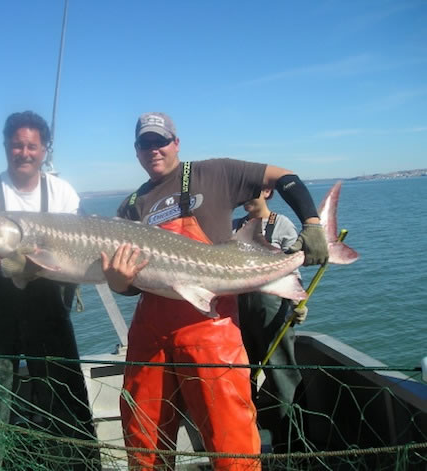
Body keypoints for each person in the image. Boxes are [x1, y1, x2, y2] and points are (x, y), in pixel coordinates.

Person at [101, 112, 328, 470]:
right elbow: (130, 286)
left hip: (211, 328)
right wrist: (117, 282)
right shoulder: (131, 205)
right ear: (136, 150)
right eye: (145, 143)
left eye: (161, 141)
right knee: (143, 440)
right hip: (151, 332)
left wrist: (312, 223)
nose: (154, 149)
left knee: (231, 444)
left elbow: (283, 176)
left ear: (176, 143)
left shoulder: (214, 173)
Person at [0, 110, 100, 470]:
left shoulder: (61, 192)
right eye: (17, 145)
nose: (24, 152)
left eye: (32, 146)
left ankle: (75, 464)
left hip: (49, 310)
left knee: (64, 397)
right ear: (5, 147)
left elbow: (82, 244)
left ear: (45, 150)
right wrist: (13, 268)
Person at [233, 189, 308, 449]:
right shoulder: (234, 227)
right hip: (238, 315)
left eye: (249, 192)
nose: (243, 198)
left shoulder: (282, 225)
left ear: (267, 192)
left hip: (274, 311)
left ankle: (294, 446)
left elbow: (292, 270)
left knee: (283, 377)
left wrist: (299, 304)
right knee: (241, 378)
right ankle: (248, 444)